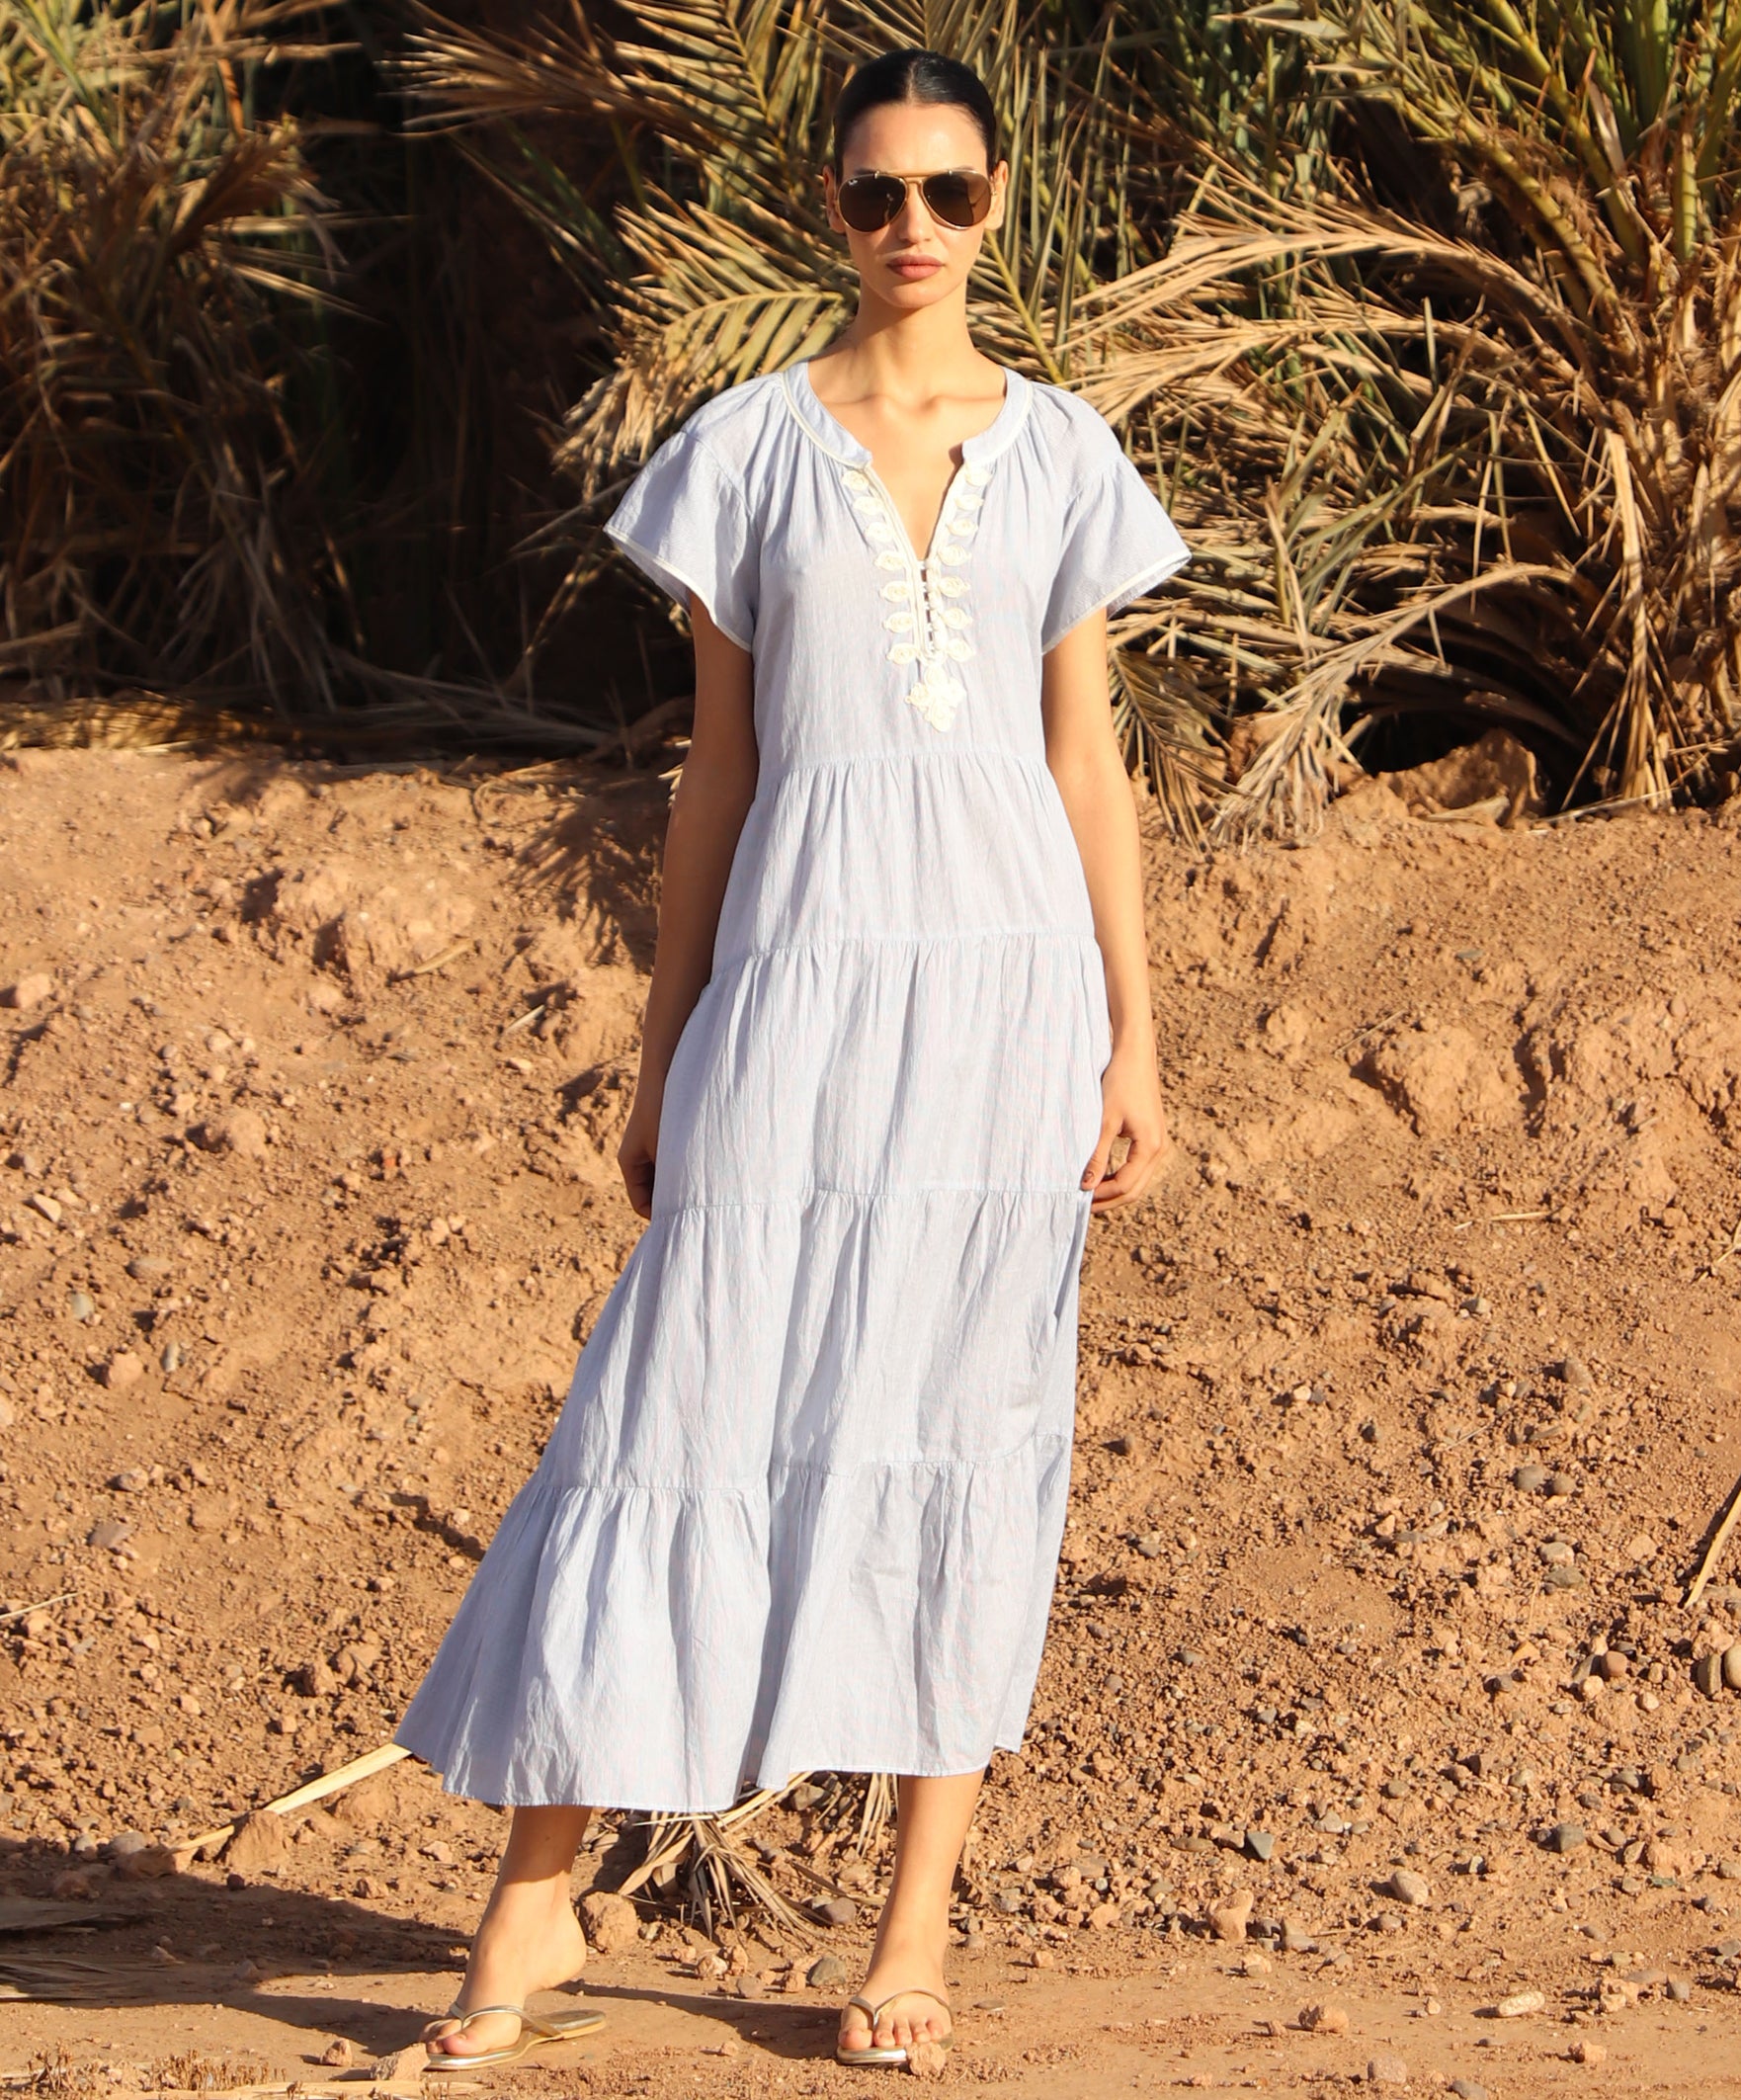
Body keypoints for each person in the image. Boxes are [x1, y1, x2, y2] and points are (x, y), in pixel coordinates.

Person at [394, 43, 1190, 2074]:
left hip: (1006, 1008)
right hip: (794, 991)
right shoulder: (744, 448)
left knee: (962, 1430)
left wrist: (1133, 1039)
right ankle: (534, 1896)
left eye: (945, 192)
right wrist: (663, 1056)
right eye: (872, 194)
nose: (908, 228)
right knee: (671, 1407)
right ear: (823, 208)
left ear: (997, 205)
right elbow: (713, 776)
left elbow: (1082, 763)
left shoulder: (1064, 453)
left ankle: (909, 1929)